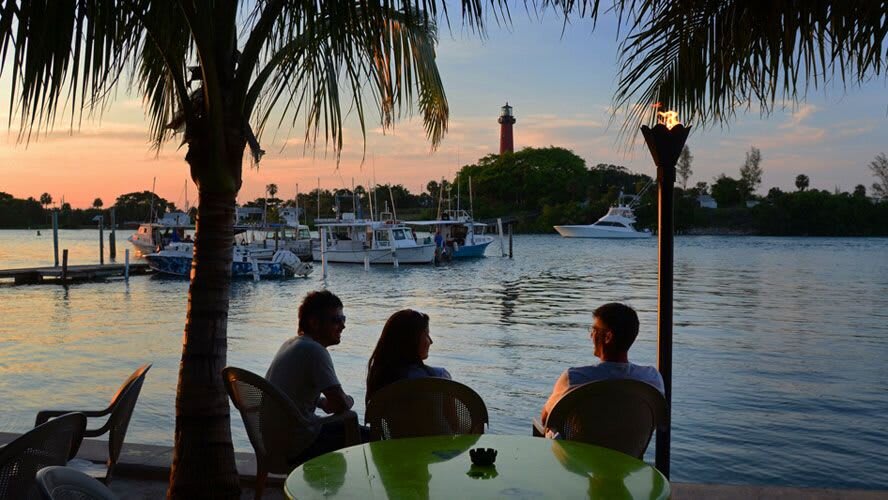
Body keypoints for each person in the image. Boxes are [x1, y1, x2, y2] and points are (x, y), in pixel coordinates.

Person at [266, 290, 363, 460]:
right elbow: (341, 404)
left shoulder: (292, 344)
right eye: (336, 320)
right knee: (373, 437)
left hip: (272, 441)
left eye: (343, 319)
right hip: (299, 443)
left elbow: (291, 391)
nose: (343, 326)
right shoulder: (314, 351)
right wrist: (350, 400)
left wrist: (320, 402)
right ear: (314, 323)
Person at [540, 303, 664, 426]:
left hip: (583, 439)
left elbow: (546, 419)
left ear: (608, 337)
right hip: (633, 440)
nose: (591, 335)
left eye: (594, 330)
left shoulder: (575, 378)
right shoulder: (651, 379)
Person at [366, 309, 451, 403]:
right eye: (426, 334)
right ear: (413, 340)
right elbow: (452, 413)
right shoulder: (440, 378)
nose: (431, 341)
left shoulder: (378, 378)